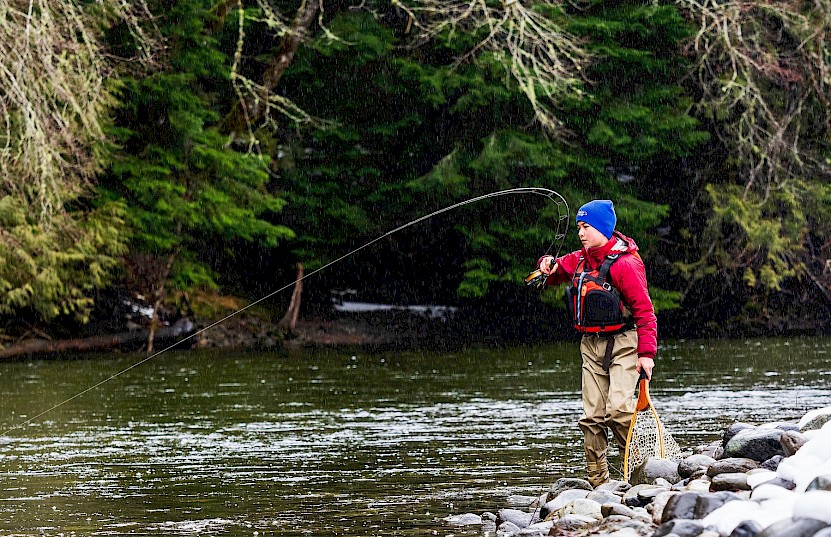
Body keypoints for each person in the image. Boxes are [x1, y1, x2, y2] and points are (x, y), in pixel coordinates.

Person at [535, 199, 657, 487]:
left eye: (586, 226)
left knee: (618, 411)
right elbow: (553, 273)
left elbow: (645, 311)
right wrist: (545, 266)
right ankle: (598, 483)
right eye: (578, 226)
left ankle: (637, 472)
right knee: (592, 417)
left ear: (603, 228)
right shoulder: (579, 258)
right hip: (590, 345)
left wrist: (646, 354)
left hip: (625, 342)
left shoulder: (626, 264)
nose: (580, 232)